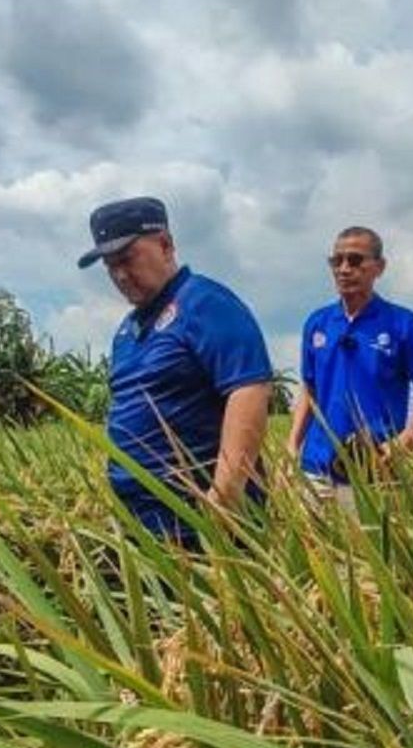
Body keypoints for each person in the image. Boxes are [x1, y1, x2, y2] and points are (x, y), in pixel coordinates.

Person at [78, 196, 273, 548]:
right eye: (110, 266)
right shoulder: (128, 330)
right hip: (143, 523)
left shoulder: (205, 303)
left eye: (127, 259)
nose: (120, 275)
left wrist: (222, 500)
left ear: (165, 245)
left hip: (200, 523)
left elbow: (249, 391)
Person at [286, 226, 413, 490]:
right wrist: (292, 446)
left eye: (355, 260)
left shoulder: (402, 323)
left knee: (372, 532)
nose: (344, 269)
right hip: (317, 465)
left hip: (377, 464)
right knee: (315, 532)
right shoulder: (318, 323)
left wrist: (403, 443)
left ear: (379, 267)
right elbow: (309, 391)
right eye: (337, 261)